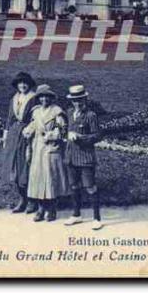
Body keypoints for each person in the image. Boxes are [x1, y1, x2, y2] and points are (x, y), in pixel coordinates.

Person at [23, 84, 70, 222]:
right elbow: (34, 124)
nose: (44, 99)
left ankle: (51, 209)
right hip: (37, 148)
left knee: (51, 179)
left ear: (51, 98)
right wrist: (28, 130)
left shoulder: (57, 112)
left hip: (51, 148)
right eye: (41, 96)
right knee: (37, 178)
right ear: (39, 98)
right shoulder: (36, 111)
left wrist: (50, 135)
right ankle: (40, 209)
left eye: (47, 96)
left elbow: (62, 130)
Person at [63, 84, 104, 230]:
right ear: (71, 101)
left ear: (85, 99)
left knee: (90, 187)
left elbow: (98, 136)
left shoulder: (91, 115)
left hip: (86, 157)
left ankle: (97, 218)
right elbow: (65, 130)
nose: (77, 103)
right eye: (75, 100)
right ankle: (76, 215)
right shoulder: (69, 113)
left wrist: (81, 138)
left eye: (80, 100)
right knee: (74, 186)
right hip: (71, 156)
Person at [2, 72, 39, 214]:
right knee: (15, 167)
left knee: (26, 166)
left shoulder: (33, 98)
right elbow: (9, 118)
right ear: (17, 85)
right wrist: (6, 135)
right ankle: (22, 199)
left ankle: (32, 201)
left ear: (29, 84)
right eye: (20, 83)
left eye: (25, 83)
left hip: (27, 133)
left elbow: (36, 118)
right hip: (13, 134)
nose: (22, 85)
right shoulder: (15, 98)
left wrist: (30, 131)